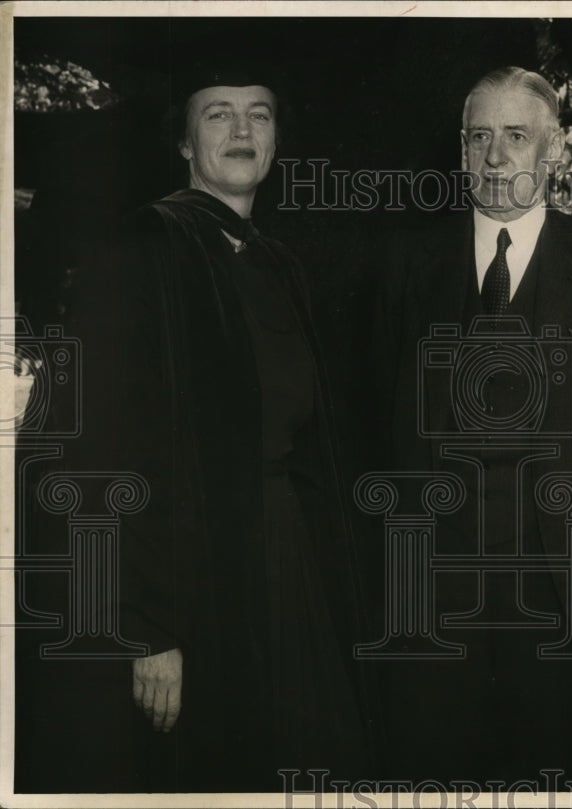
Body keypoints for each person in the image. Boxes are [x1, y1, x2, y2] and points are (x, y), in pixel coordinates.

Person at [16, 65, 375, 792]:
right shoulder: (143, 251)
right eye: (218, 115)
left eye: (260, 114)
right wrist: (143, 626)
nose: (243, 131)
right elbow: (87, 454)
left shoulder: (279, 262)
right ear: (183, 142)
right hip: (187, 581)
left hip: (283, 564)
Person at [370, 66, 572, 788]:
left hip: (562, 586)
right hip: (432, 588)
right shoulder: (407, 259)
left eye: (515, 136)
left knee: (552, 776)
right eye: (478, 138)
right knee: (431, 774)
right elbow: (375, 406)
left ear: (554, 148)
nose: (495, 159)